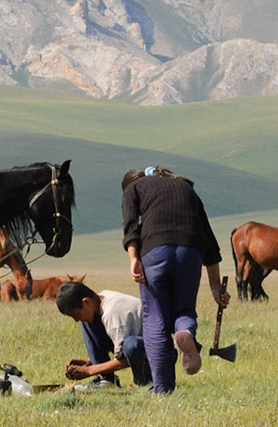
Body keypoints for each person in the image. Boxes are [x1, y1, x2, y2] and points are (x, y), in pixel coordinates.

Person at [120, 166, 231, 393]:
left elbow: (131, 226)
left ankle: (162, 388)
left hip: (155, 251)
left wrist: (133, 258)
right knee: (184, 310)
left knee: (155, 318)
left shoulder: (133, 188)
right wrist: (215, 285)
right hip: (190, 253)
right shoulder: (186, 189)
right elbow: (208, 239)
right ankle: (185, 333)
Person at [56, 280, 147, 389]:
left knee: (132, 345)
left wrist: (90, 370)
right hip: (137, 347)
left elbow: (126, 358)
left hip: (153, 353)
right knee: (87, 322)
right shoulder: (100, 299)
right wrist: (90, 363)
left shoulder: (112, 314)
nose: (76, 320)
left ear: (86, 302)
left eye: (76, 314)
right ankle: (105, 379)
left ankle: (148, 381)